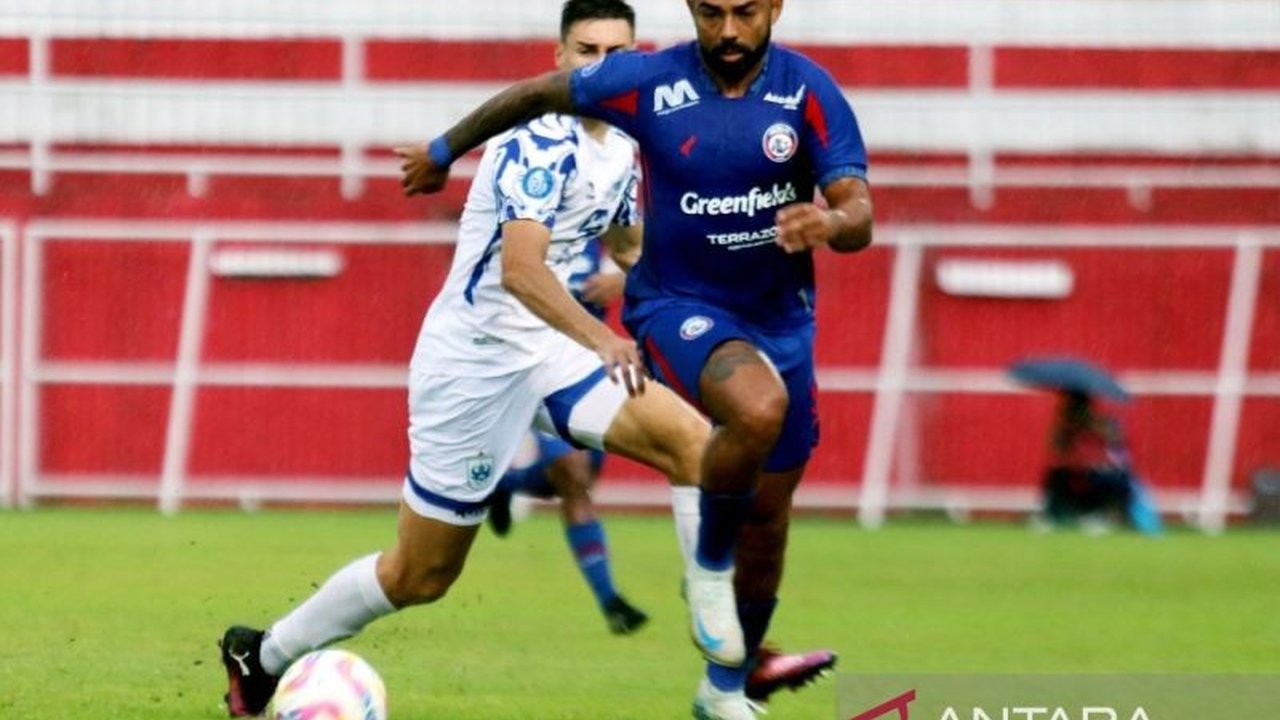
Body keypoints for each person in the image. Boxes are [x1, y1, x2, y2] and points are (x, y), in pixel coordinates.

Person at [217, 3, 736, 716]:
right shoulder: (536, 142)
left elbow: (624, 241)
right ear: (559, 56)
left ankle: (723, 667)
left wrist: (679, 271)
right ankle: (263, 652)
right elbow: (522, 272)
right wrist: (605, 337)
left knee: (696, 448)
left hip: (551, 350)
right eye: (585, 49)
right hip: (474, 362)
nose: (599, 65)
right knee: (420, 576)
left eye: (616, 51)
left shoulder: (623, 141)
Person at [397, 1, 873, 717]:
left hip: (772, 320)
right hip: (560, 339)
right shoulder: (611, 103)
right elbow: (521, 249)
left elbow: (858, 210)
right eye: (712, 14)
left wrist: (831, 221)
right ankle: (709, 580)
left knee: (762, 509)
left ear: (773, 7)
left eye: (745, 13)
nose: (730, 31)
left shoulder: (804, 91)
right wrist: (441, 151)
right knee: (740, 416)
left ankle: (728, 677)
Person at [486, 238, 652, 635]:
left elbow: (655, 264)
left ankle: (506, 485)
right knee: (573, 476)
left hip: (590, 369)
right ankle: (610, 599)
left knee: (572, 480)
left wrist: (623, 283)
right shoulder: (525, 224)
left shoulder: (601, 219)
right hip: (536, 368)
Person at [1040, 391, 1162, 535]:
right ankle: (1053, 514)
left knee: (1106, 477)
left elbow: (1117, 443)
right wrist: (1067, 430)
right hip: (1077, 473)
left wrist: (1091, 425)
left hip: (1105, 474)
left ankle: (1100, 514)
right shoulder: (1066, 428)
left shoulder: (1101, 423)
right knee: (1056, 475)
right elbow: (1055, 450)